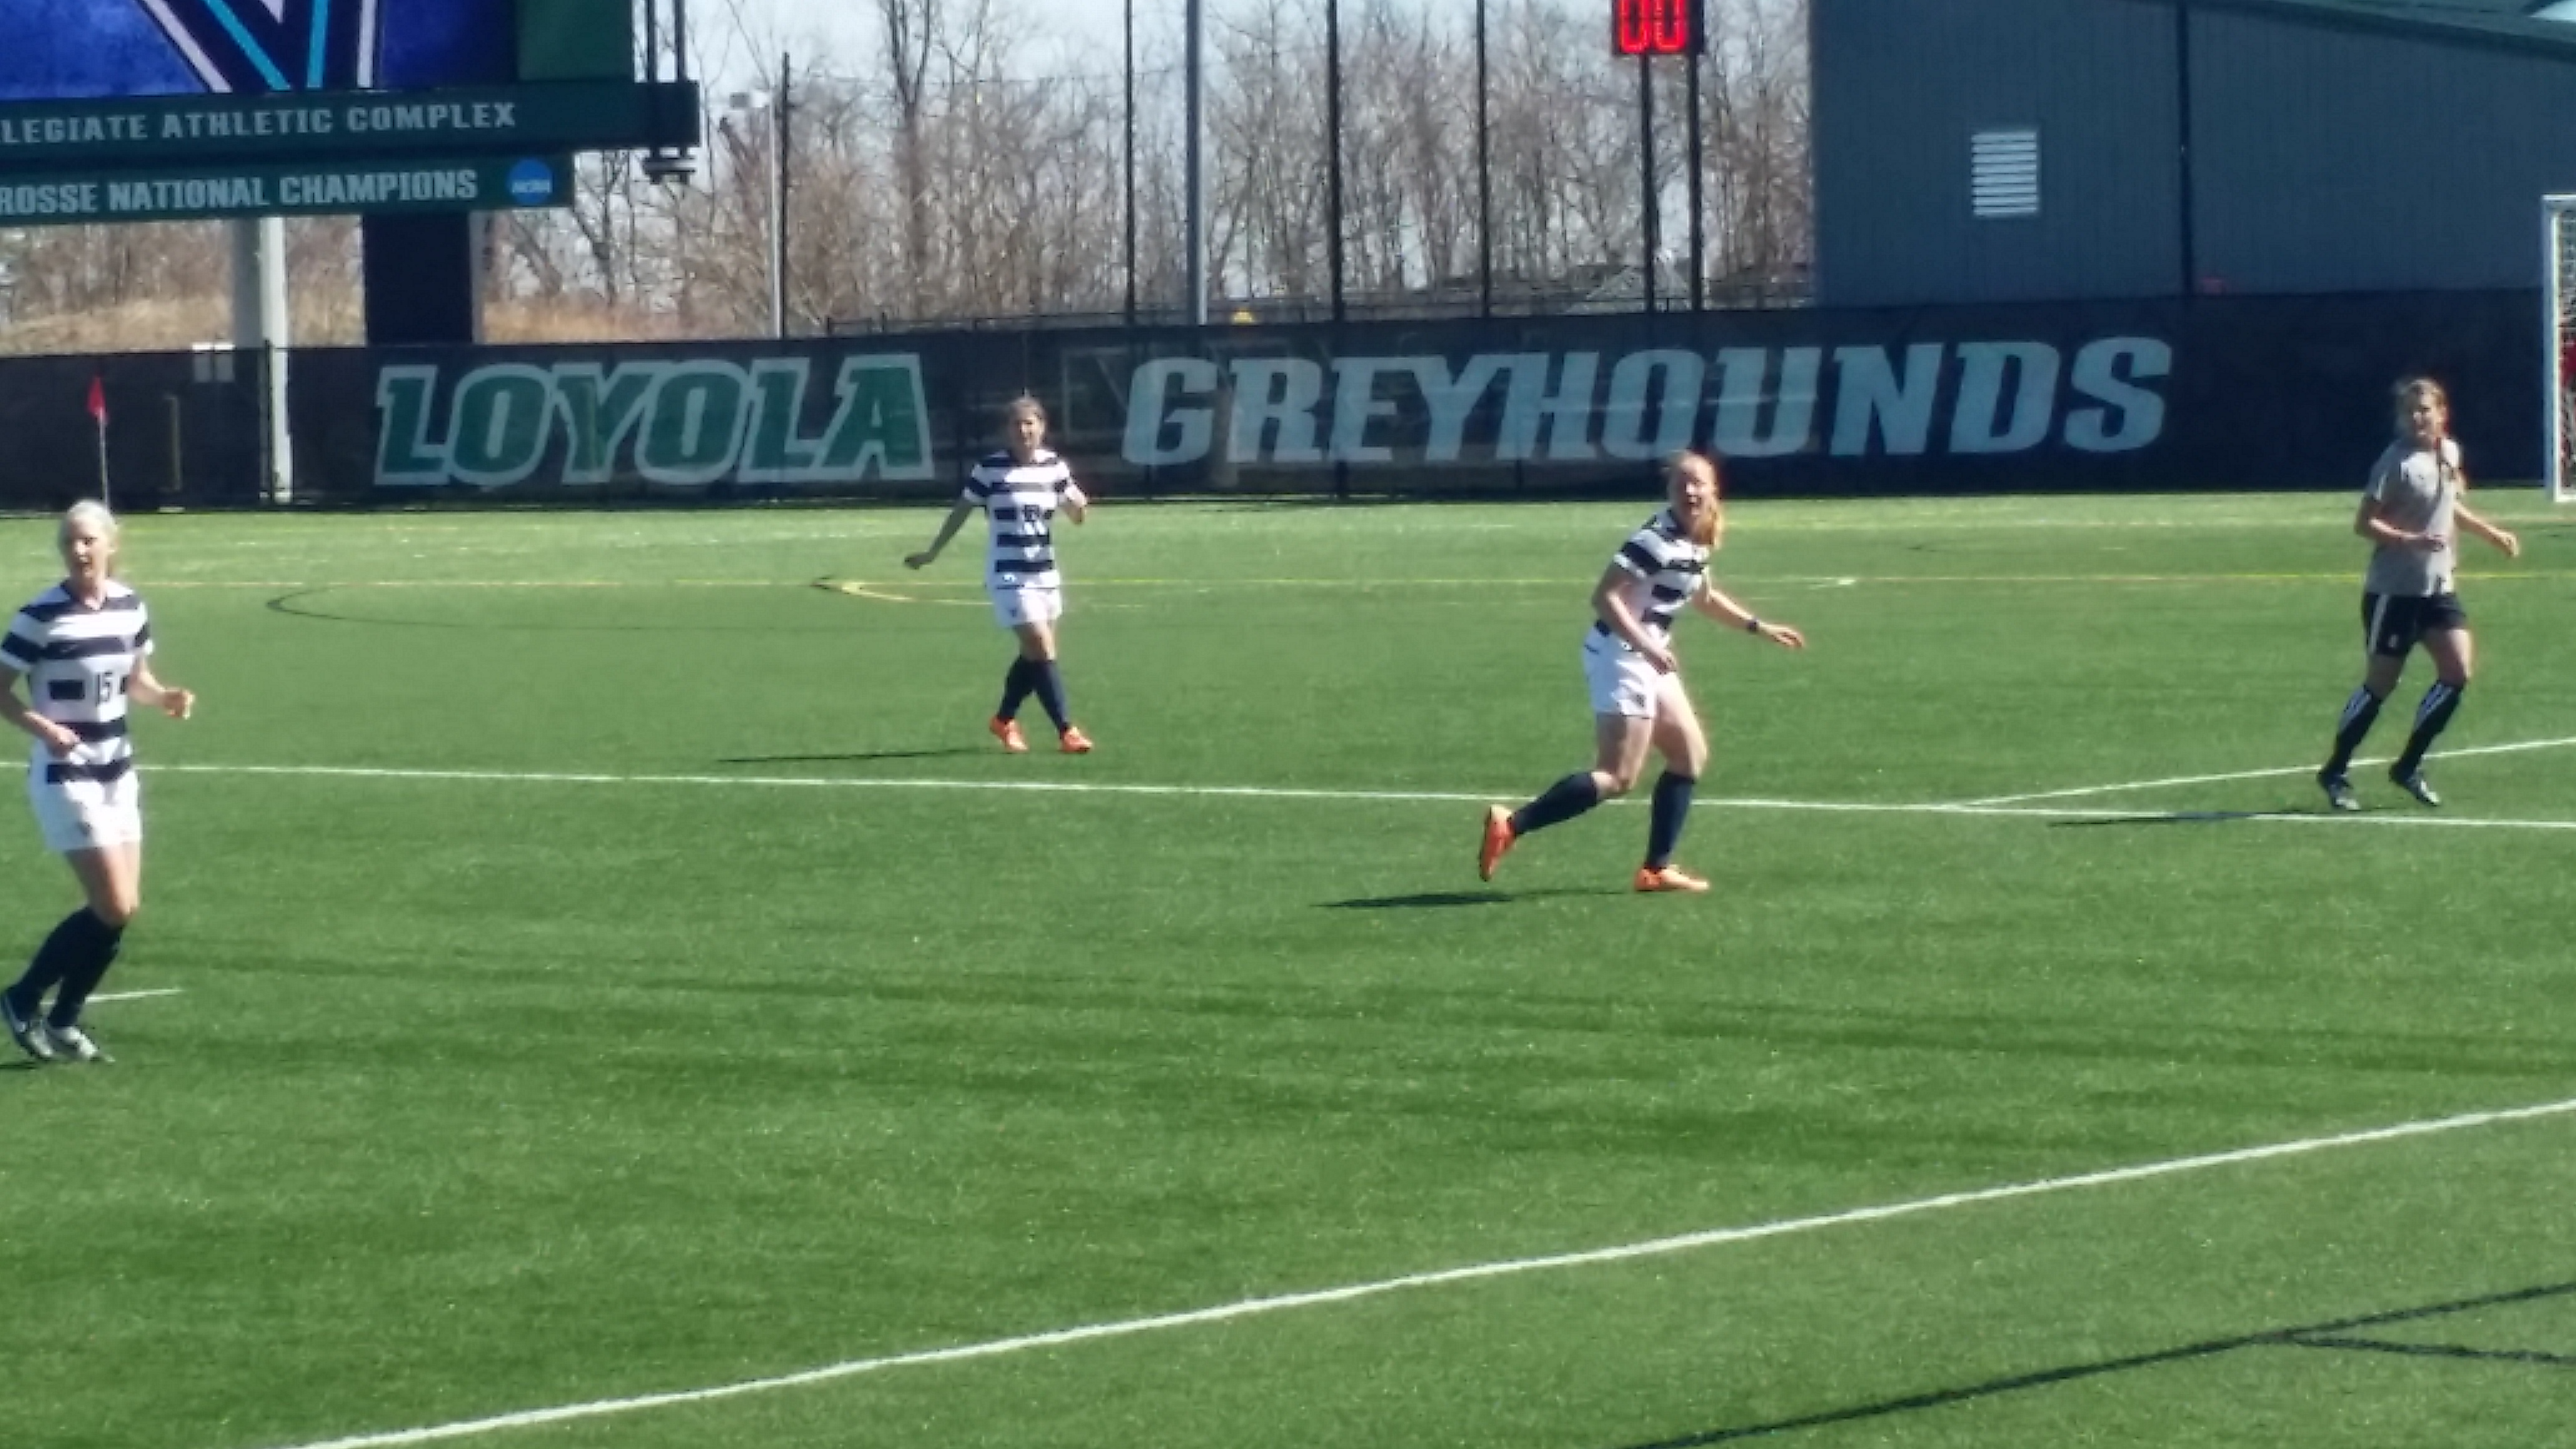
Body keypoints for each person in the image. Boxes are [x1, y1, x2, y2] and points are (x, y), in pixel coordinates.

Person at [1479, 449, 1805, 892]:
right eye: (1680, 483)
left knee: (1689, 756)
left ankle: (1655, 869)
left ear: (1714, 489)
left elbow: (1705, 598)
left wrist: (1759, 626)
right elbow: (1605, 598)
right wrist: (1648, 646)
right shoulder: (1654, 541)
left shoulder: (1697, 537)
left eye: (1697, 483)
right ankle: (1512, 825)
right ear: (1669, 490)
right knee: (1618, 776)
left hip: (1648, 656)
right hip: (1620, 655)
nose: (1689, 491)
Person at [0, 501, 195, 1065]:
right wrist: (43, 728)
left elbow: (136, 680)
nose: (79, 550)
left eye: (88, 540)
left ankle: (64, 1021)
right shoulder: (40, 615)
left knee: (123, 908)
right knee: (112, 903)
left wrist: (165, 697)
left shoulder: (130, 605)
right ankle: (22, 998)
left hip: (117, 770)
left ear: (112, 544)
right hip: (67, 774)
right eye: (70, 542)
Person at [2316, 377, 2519, 812]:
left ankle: (2408, 765)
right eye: (2410, 411)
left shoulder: (2449, 453)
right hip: (2395, 592)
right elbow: (2364, 523)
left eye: (2425, 409)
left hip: (2438, 589)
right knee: (2381, 684)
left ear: (2442, 413)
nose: (2417, 418)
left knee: (2458, 672)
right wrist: (2410, 541)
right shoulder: (2396, 463)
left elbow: (2449, 507)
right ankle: (2335, 770)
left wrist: (2492, 533)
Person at [905, 396, 1096, 754]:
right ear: (1007, 430)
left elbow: (1076, 514)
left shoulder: (1054, 466)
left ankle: (1004, 720)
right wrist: (933, 552)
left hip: (1045, 574)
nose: (1024, 431)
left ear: (1042, 427)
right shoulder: (990, 469)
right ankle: (1066, 731)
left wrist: (1079, 508)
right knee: (1041, 646)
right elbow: (961, 511)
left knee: (1035, 654)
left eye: (1030, 423)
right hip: (1008, 573)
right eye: (1017, 424)